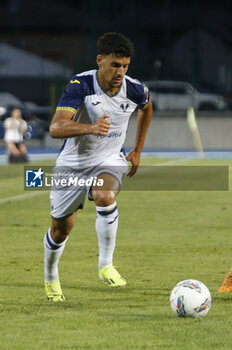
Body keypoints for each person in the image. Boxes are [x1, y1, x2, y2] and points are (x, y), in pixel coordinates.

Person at [44, 32, 153, 301]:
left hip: (110, 160)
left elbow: (147, 108)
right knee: (61, 230)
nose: (120, 72)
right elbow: (56, 128)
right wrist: (91, 128)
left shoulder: (134, 88)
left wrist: (138, 149)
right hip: (73, 165)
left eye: (125, 65)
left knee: (105, 195)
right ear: (100, 60)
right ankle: (50, 276)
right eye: (115, 65)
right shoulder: (80, 85)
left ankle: (106, 265)